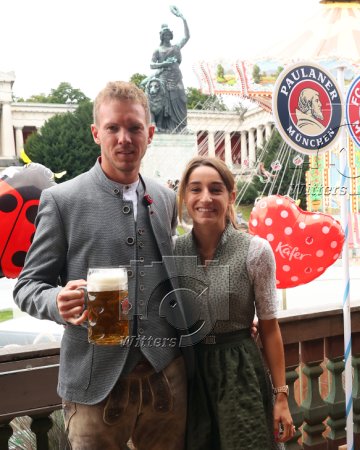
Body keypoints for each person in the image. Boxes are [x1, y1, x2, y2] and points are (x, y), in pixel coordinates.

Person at [14, 81, 190, 450]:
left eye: (134, 127)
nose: (124, 138)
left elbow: (173, 277)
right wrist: (56, 301)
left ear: (150, 133)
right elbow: (28, 286)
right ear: (96, 133)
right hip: (94, 385)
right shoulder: (62, 200)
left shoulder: (165, 197)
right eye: (113, 127)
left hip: (165, 379)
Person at [175, 156, 295, 449]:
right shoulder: (172, 251)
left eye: (215, 189)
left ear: (231, 195)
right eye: (196, 189)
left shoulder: (255, 251)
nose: (206, 198)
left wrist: (281, 396)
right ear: (184, 197)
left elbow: (269, 328)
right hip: (189, 375)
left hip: (239, 373)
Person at [146, 5, 190, 133]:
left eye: (168, 34)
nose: (167, 36)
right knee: (165, 103)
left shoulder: (176, 47)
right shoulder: (158, 50)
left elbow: (187, 37)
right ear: (162, 36)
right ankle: (165, 127)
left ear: (171, 35)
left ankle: (182, 127)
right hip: (164, 79)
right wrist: (164, 64)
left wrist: (183, 19)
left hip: (176, 77)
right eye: (164, 35)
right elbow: (151, 64)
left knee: (181, 99)